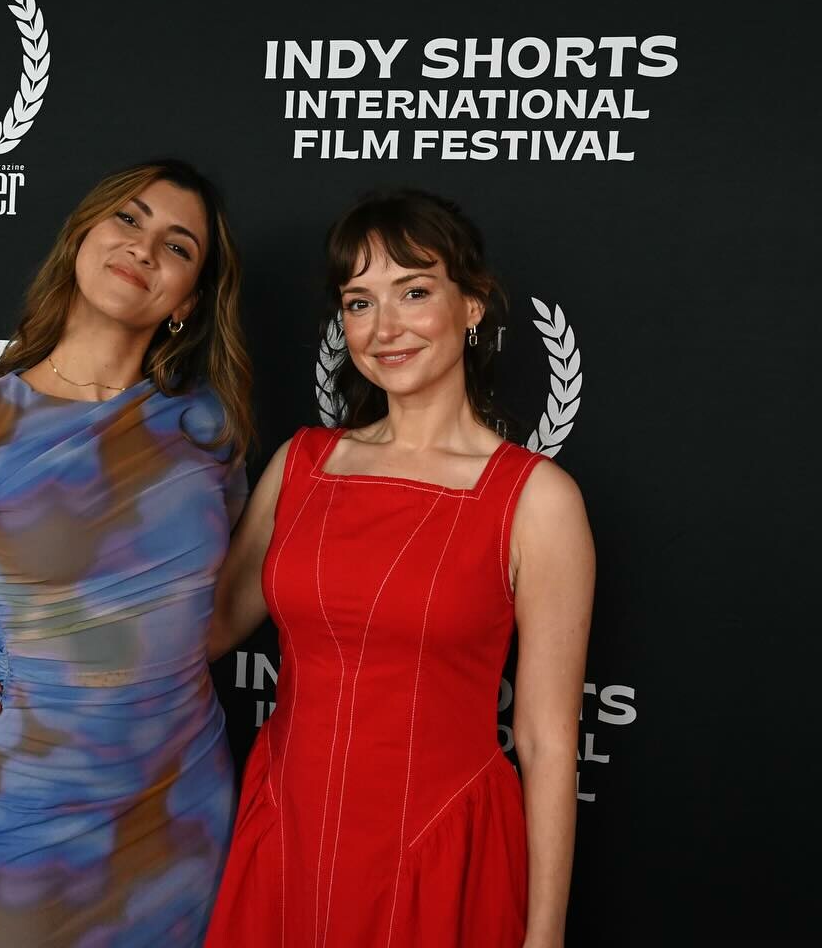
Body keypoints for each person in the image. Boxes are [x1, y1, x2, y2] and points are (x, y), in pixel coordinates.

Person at [0, 159, 254, 948]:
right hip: (37, 812)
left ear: (188, 302)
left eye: (178, 246)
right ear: (81, 238)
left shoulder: (208, 425)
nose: (143, 248)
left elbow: (207, 606)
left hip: (182, 806)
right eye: (128, 219)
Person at [199, 188, 595, 947]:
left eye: (413, 292)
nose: (384, 328)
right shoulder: (302, 464)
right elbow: (206, 629)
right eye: (359, 302)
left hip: (438, 851)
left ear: (471, 305)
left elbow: (547, 741)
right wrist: (36, 646)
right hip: (288, 837)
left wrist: (543, 938)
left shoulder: (537, 499)